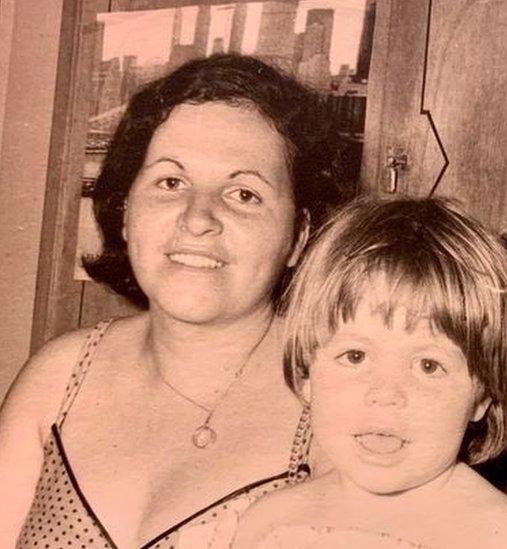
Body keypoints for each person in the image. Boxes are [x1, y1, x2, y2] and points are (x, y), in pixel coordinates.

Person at [0, 54, 356, 548]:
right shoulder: (57, 378)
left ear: (299, 236)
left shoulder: (343, 409)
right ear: (125, 212)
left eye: (244, 194)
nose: (197, 218)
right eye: (171, 182)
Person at [231, 197, 507, 548]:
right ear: (306, 373)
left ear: (482, 394)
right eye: (355, 356)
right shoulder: (268, 524)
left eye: (428, 366)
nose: (385, 394)